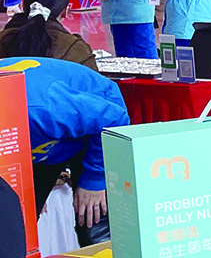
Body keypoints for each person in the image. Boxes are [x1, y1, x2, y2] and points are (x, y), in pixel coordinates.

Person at [0, 55, 129, 240]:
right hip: (37, 144)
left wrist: (94, 179)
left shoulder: (44, 109)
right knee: (16, 223)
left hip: (95, 131)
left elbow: (114, 119)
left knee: (91, 218)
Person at [0, 0, 97, 68]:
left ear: (23, 7)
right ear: (64, 12)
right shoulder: (76, 50)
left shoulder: (2, 39)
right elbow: (94, 80)